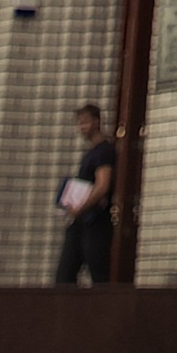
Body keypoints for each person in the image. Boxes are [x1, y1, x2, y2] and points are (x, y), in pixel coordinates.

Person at [53, 103, 115, 283]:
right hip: (82, 220)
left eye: (85, 122)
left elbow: (102, 185)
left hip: (94, 220)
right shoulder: (92, 152)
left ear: (97, 122)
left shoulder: (103, 152)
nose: (81, 128)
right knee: (65, 273)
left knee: (98, 271)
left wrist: (81, 207)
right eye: (79, 123)